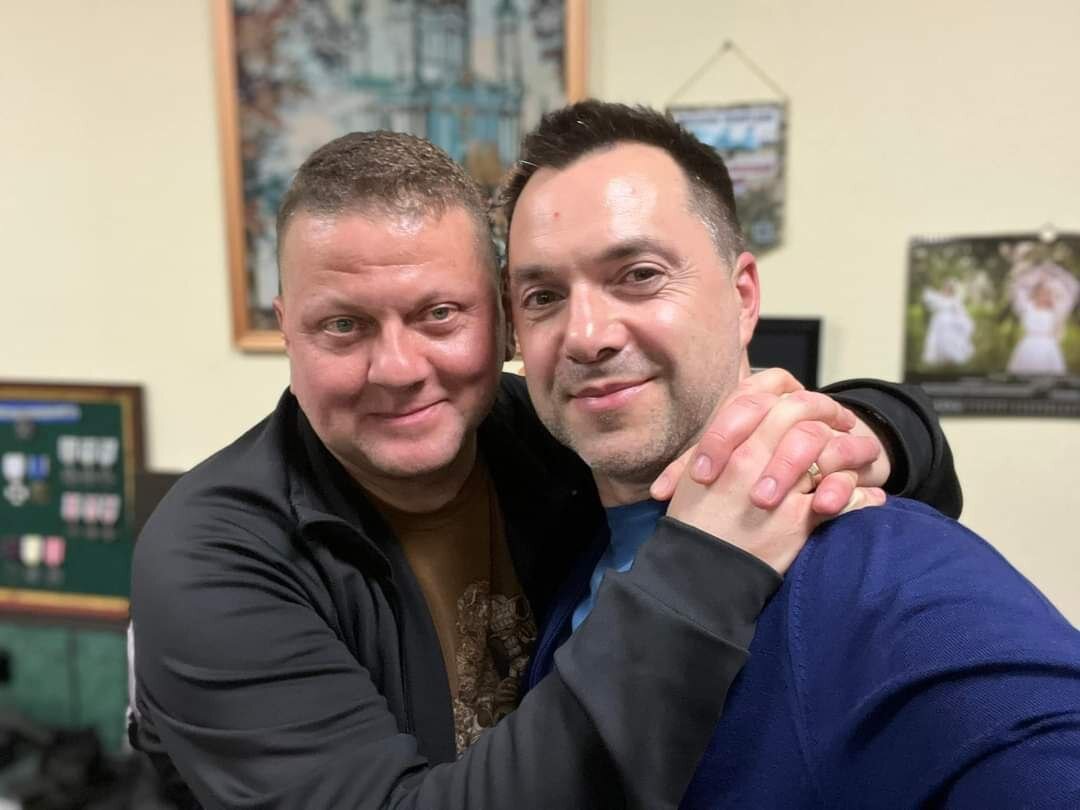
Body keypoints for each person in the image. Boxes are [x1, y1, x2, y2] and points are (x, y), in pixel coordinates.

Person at [129, 131, 960, 809]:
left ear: (501, 317)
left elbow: (896, 455)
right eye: (342, 326)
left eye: (440, 314)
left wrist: (868, 431)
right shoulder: (211, 559)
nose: (399, 369)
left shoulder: (542, 433)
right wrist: (704, 568)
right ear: (287, 328)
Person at [502, 100, 1080, 808]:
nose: (587, 335)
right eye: (542, 296)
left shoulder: (879, 564)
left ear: (744, 297)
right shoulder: (561, 540)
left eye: (639, 274)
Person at [1006, 263, 1079, 375]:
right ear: (1035, 293)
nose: (1043, 296)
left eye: (1046, 293)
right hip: (1029, 345)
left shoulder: (1056, 310)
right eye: (1040, 293)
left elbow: (1074, 288)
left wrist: (1054, 272)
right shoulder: (1026, 306)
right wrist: (1039, 275)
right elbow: (1017, 286)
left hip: (1048, 346)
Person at [921, 280, 975, 366]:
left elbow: (959, 311)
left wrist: (962, 320)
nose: (946, 291)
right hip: (939, 322)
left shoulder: (954, 300)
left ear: (951, 291)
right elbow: (930, 299)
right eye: (945, 289)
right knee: (939, 339)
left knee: (950, 339)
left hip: (950, 322)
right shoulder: (940, 298)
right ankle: (943, 357)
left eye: (948, 289)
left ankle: (950, 358)